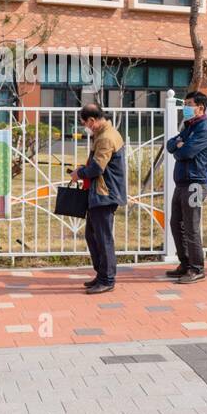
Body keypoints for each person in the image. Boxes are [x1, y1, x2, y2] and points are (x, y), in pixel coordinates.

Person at [73, 103, 127, 295]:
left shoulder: (106, 137)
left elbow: (97, 168)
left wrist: (79, 174)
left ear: (92, 120)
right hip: (101, 192)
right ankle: (101, 274)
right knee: (92, 235)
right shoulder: (104, 134)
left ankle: (107, 279)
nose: (86, 128)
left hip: (105, 193)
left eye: (86, 124)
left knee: (103, 238)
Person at [165, 90, 207, 284]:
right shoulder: (190, 127)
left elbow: (184, 153)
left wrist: (179, 147)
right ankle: (185, 263)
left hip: (195, 183)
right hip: (182, 183)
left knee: (191, 226)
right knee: (176, 224)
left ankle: (197, 268)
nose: (185, 108)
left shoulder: (203, 129)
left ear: (200, 108)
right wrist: (178, 144)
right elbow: (170, 144)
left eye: (188, 104)